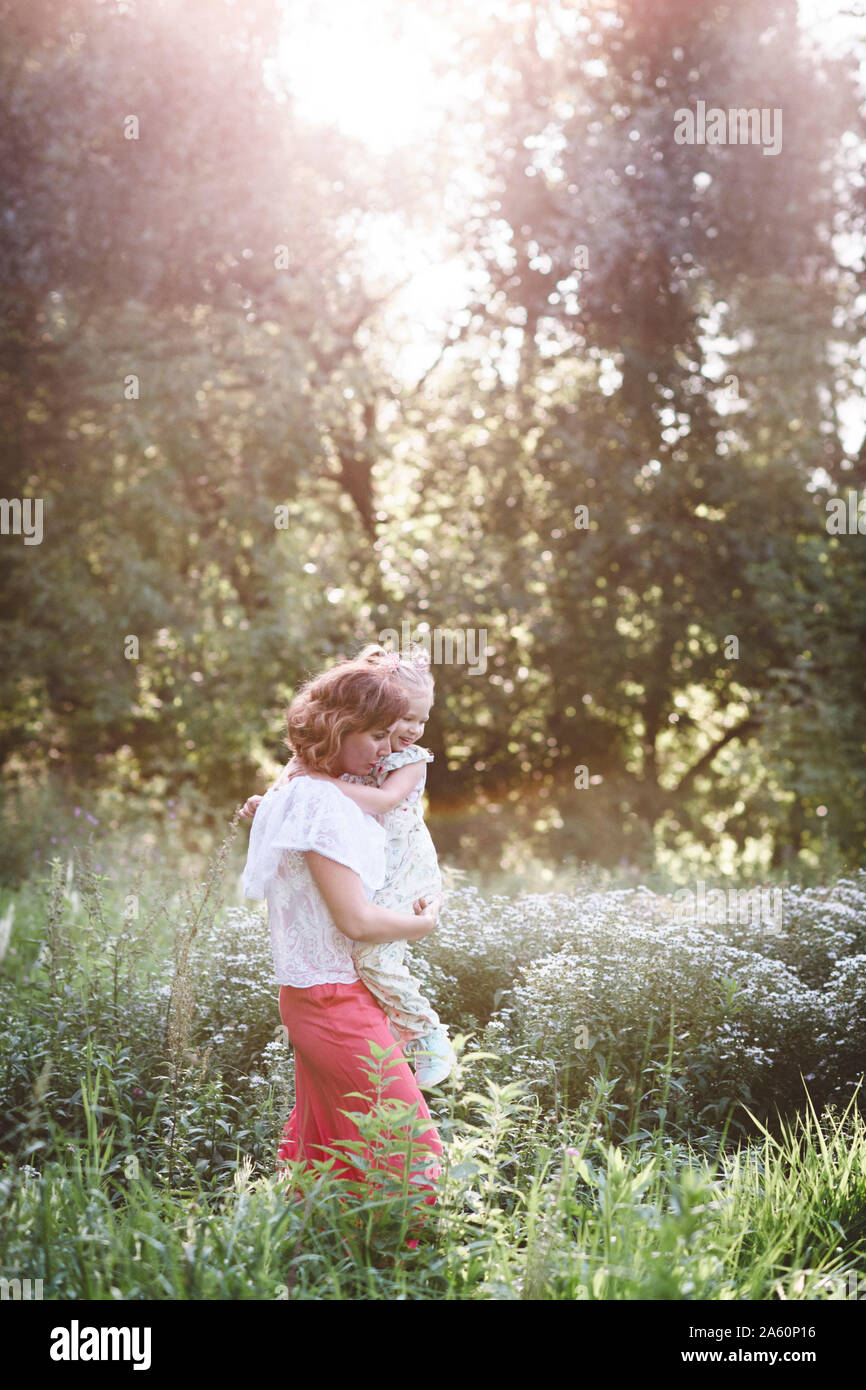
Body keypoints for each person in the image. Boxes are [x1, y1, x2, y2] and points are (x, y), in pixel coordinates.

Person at [241, 657, 443, 1197]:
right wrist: (421, 926)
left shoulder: (302, 792)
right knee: (410, 1157)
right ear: (338, 727)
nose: (388, 747)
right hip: (332, 998)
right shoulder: (321, 801)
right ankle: (408, 1269)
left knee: (330, 1148)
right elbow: (356, 920)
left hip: (320, 992)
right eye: (378, 733)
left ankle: (320, 1260)